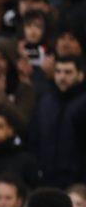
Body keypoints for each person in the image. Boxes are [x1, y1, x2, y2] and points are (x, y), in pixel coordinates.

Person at [30, 55, 86, 188]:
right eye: (58, 71)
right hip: (46, 177)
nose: (62, 77)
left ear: (80, 75)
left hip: (77, 180)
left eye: (68, 72)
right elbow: (34, 138)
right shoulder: (45, 101)